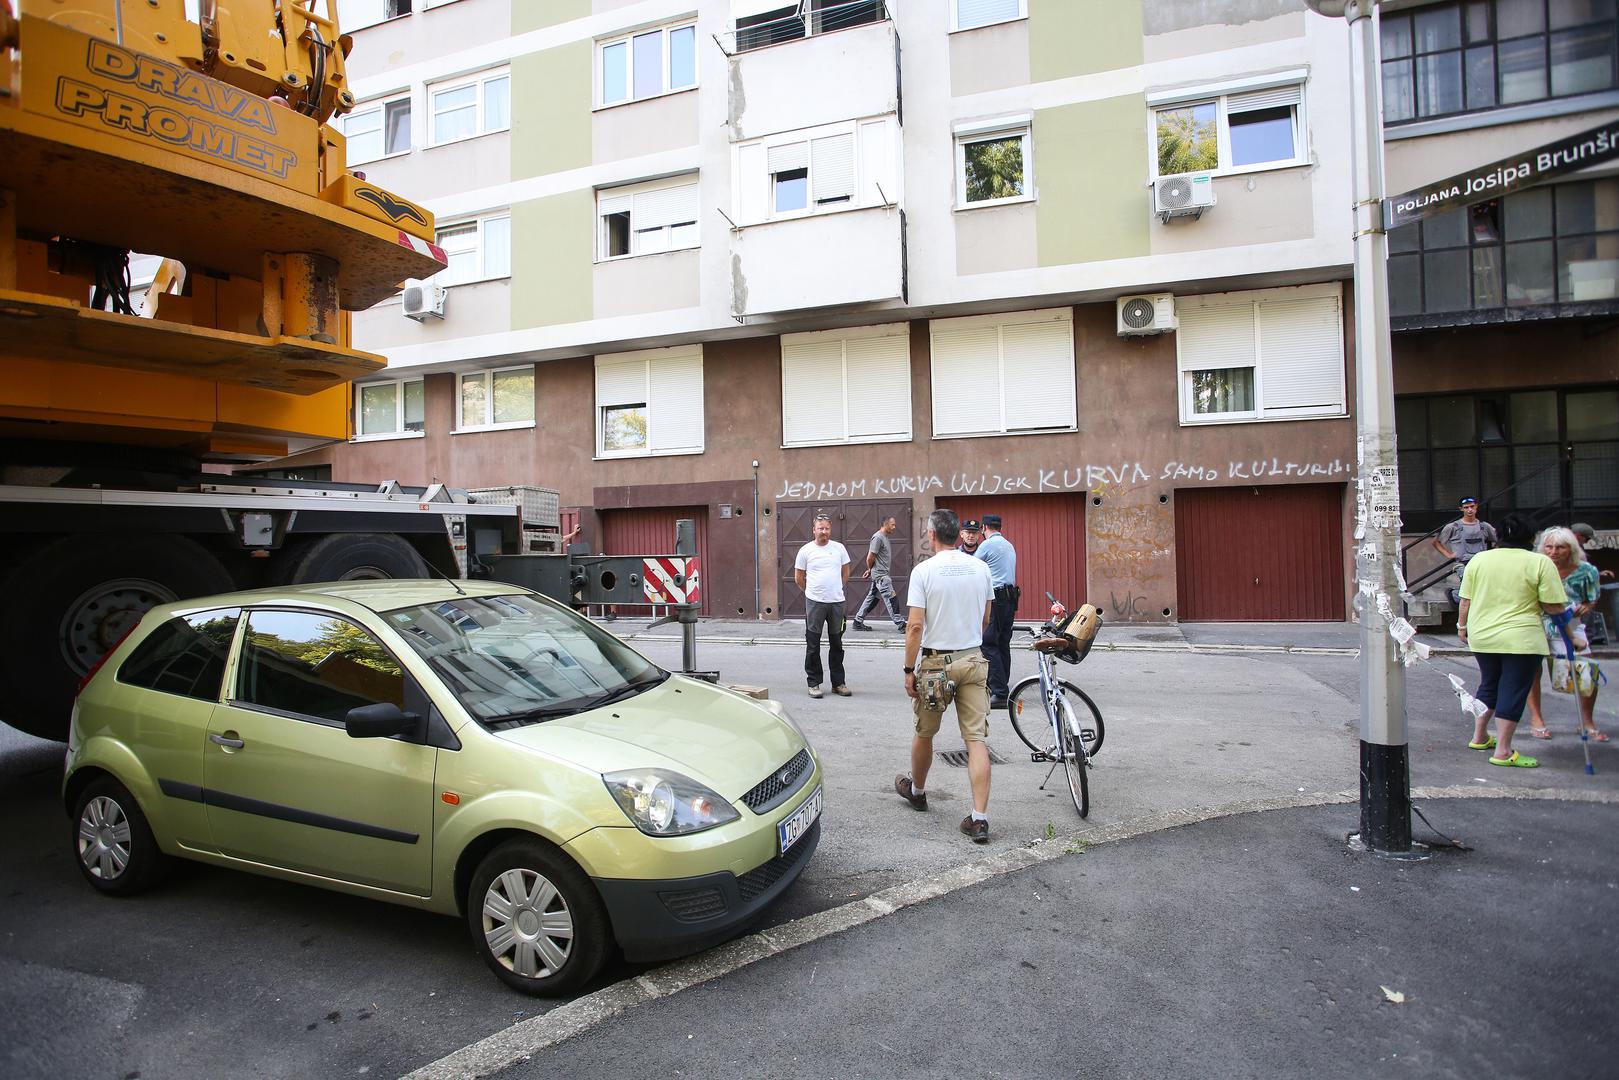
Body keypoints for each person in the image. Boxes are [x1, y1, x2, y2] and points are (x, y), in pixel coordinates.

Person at [893, 509, 995, 842]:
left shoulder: (923, 571)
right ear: (957, 534)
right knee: (975, 740)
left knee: (925, 733)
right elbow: (985, 617)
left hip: (936, 665)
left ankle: (918, 791)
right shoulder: (981, 568)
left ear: (933, 534)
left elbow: (915, 627)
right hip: (973, 659)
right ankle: (979, 819)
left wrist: (909, 670)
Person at [1457, 513, 1567, 768]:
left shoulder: (1479, 560)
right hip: (1522, 638)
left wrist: (1462, 628)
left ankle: (1480, 736)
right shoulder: (1539, 562)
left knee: (1489, 684)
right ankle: (1503, 751)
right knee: (1513, 689)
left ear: (1499, 536)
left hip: (1483, 635)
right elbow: (1553, 606)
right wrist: (1570, 634)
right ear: (1531, 537)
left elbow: (1466, 600)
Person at [1523, 526, 1605, 741]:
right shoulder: (1536, 565)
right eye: (1548, 547)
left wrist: (1588, 606)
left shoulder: (1586, 570)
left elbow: (1592, 597)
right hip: (1537, 622)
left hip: (1571, 624)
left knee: (1587, 670)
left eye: (1560, 547)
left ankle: (1587, 722)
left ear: (1571, 548)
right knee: (1532, 670)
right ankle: (1536, 719)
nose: (1553, 552)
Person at [794, 514, 851, 699]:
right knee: (813, 644)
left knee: (837, 644)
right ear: (814, 530)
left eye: (826, 528)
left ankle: (838, 683)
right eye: (820, 528)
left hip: (836, 603)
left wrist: (836, 589)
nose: (824, 531)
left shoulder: (839, 548)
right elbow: (799, 577)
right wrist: (811, 592)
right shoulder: (805, 551)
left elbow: (845, 572)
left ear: (830, 529)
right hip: (815, 603)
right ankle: (814, 683)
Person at [973, 513, 1019, 708]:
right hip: (1010, 598)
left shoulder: (986, 545)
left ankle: (999, 692)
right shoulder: (1008, 545)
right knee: (1002, 642)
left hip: (997, 598)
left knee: (989, 642)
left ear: (984, 528)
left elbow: (973, 567)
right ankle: (1003, 686)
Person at [1435, 496, 1497, 602]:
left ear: (1476, 507)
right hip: (1463, 563)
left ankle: (1456, 595)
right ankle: (1453, 594)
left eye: (1472, 506)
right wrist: (1449, 555)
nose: (1470, 510)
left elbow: (1498, 539)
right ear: (1461, 509)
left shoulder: (1484, 526)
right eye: (1466, 507)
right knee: (1469, 587)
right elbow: (1437, 542)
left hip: (1481, 563)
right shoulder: (1453, 527)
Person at [852, 516, 906, 632]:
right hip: (881, 576)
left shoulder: (884, 537)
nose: (894, 527)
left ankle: (857, 621)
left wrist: (870, 570)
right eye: (892, 524)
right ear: (885, 524)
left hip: (878, 574)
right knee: (891, 598)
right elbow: (870, 557)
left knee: (872, 598)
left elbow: (876, 559)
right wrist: (870, 568)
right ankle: (901, 624)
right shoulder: (878, 538)